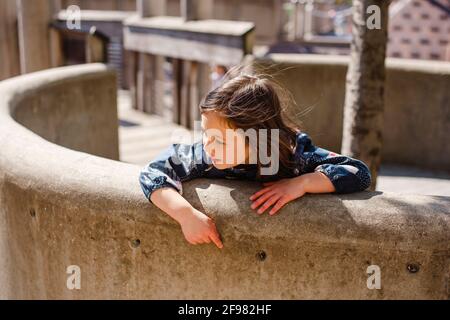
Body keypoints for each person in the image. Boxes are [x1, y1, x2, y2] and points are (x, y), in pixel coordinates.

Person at [139, 69, 371, 249]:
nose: (209, 145)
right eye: (205, 134)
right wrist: (185, 215)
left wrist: (302, 183)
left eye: (221, 140)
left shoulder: (295, 156)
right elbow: (153, 172)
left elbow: (358, 173)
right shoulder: (205, 155)